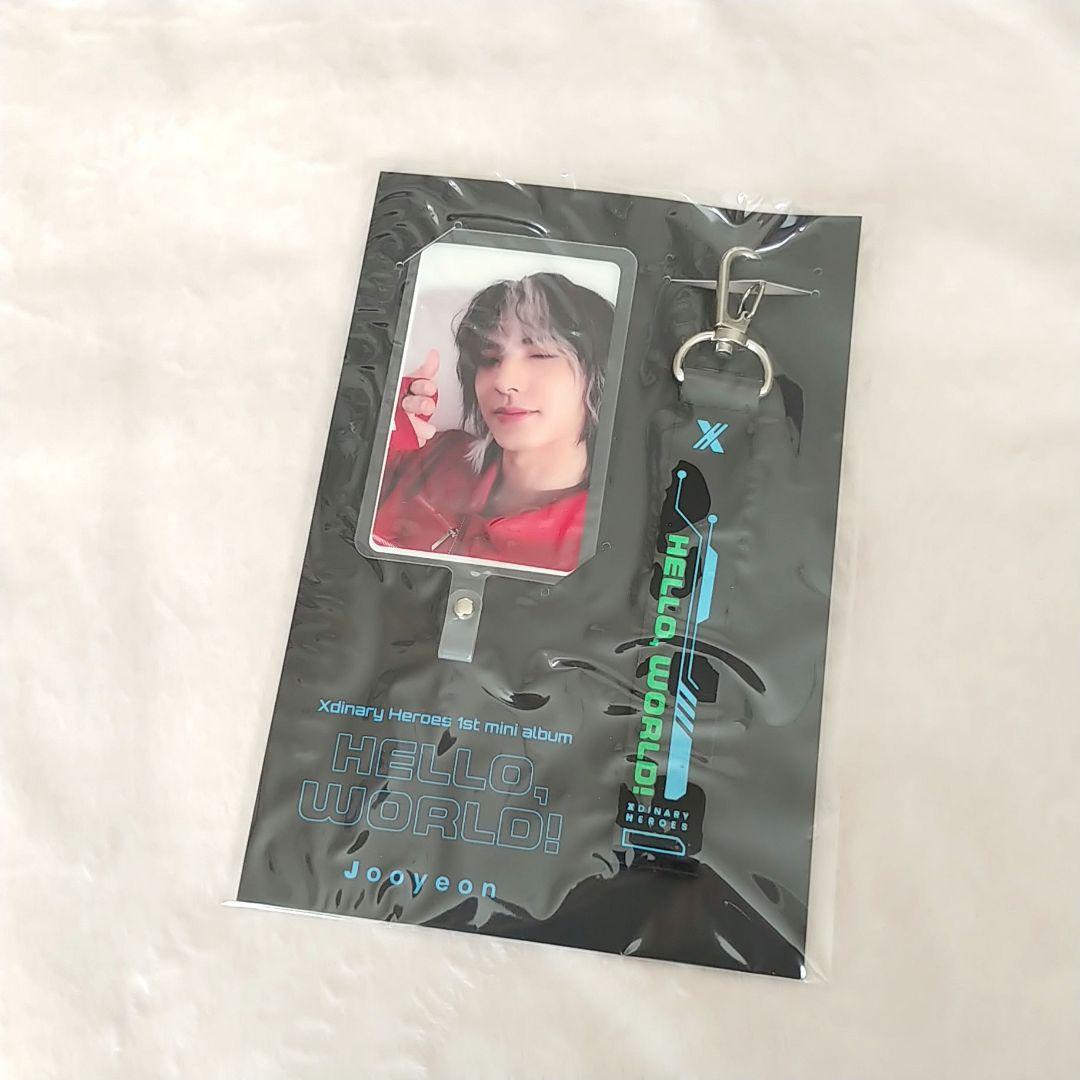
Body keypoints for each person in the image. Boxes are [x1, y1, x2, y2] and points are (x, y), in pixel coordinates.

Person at [372, 272, 613, 572]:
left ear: (598, 375)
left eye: (540, 354)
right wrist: (377, 423)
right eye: (489, 359)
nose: (503, 381)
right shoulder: (431, 457)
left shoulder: (606, 542)